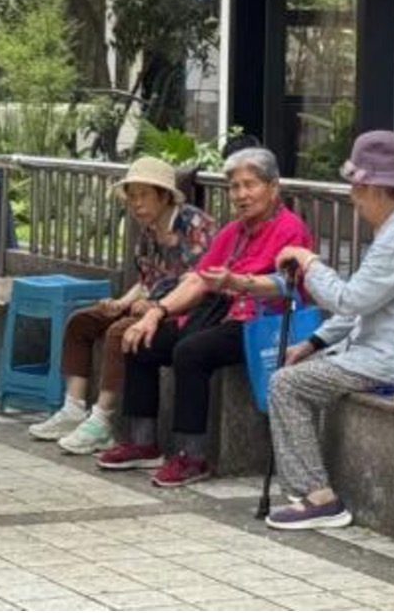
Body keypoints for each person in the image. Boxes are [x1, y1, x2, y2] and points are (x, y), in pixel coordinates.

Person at [267, 130, 394, 530]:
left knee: (287, 384)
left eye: (354, 187)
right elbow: (365, 302)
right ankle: (310, 490)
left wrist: (308, 261)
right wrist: (315, 341)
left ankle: (318, 498)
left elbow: (350, 300)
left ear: (371, 187)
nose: (352, 198)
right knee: (300, 373)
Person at [96, 146, 313, 487]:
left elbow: (285, 284)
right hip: (220, 315)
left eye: (249, 185)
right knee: (140, 339)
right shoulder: (233, 231)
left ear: (273, 187)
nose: (241, 195)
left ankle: (191, 456)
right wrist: (156, 312)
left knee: (191, 352)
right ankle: (142, 441)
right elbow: (198, 278)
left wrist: (238, 282)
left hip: (262, 323)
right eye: (235, 187)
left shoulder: (290, 228)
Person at [27, 156, 216, 454]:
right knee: (81, 321)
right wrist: (120, 302)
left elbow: (197, 282)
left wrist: (155, 306)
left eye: (143, 195)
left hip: (182, 309)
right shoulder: (148, 231)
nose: (136, 204)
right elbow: (145, 280)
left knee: (120, 333)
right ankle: (73, 408)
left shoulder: (194, 225)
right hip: (150, 303)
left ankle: (102, 421)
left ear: (164, 195)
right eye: (132, 196)